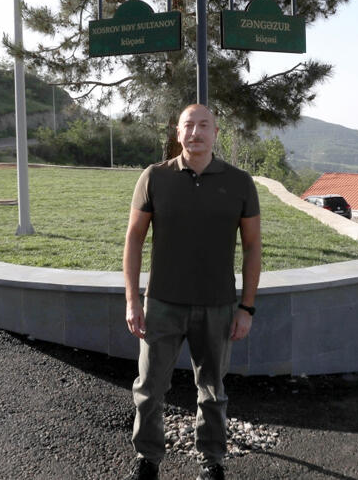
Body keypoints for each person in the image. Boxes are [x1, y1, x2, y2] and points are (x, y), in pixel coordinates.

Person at [122, 104, 262, 480]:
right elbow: (134, 238)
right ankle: (147, 460)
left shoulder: (239, 182)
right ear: (178, 132)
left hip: (218, 306)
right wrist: (133, 301)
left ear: (216, 133)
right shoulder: (154, 177)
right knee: (150, 387)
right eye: (188, 125)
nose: (196, 132)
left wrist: (246, 307)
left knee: (213, 390)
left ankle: (212, 462)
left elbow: (252, 247)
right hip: (162, 304)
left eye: (204, 126)